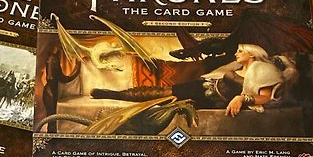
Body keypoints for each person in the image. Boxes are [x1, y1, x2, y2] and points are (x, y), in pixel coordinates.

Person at [91, 44, 285, 118]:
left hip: (212, 99)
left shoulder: (263, 69)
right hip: (203, 86)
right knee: (162, 92)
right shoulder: (237, 66)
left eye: (241, 51)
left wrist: (242, 98)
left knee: (165, 100)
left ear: (252, 53)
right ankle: (115, 94)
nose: (236, 53)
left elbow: (265, 98)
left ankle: (115, 94)